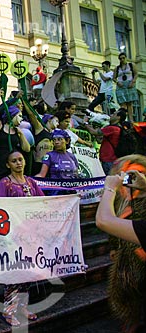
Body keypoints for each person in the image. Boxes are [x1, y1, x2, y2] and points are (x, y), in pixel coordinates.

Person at [96, 156, 146, 332]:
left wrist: (109, 188)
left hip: (140, 251)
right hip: (127, 255)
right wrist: (114, 246)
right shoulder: (122, 199)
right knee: (127, 293)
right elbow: (114, 222)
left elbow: (104, 220)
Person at [0, 150, 44, 326]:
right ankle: (9, 311)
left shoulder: (31, 182)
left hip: (30, 237)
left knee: (28, 273)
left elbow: (42, 202)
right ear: (8, 164)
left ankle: (22, 307)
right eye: (14, 161)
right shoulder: (5, 183)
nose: (18, 163)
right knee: (14, 275)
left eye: (21, 159)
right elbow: (0, 209)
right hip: (12, 238)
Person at [0, 90, 31, 194]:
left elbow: (27, 149)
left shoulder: (17, 131)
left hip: (12, 167)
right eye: (19, 116)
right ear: (12, 116)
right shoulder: (0, 128)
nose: (21, 119)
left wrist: (21, 135)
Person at [82, 108, 128, 175]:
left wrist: (85, 123)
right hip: (113, 159)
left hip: (108, 159)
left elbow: (94, 132)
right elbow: (99, 140)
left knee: (108, 179)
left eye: (114, 114)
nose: (111, 115)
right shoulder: (119, 128)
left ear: (118, 117)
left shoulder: (112, 128)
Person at [114, 53, 138, 121]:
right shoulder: (117, 68)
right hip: (121, 85)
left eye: (123, 58)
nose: (122, 59)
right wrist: (118, 82)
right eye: (120, 58)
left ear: (126, 58)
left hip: (129, 84)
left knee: (130, 103)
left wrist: (133, 82)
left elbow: (136, 74)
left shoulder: (131, 65)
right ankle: (123, 119)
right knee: (122, 104)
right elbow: (114, 78)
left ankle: (131, 120)